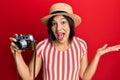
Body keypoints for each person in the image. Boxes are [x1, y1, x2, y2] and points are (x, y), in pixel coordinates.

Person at [10, 2, 120, 80]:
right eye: (54, 23)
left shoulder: (80, 45)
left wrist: (97, 55)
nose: (58, 29)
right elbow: (29, 77)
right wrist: (17, 54)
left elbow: (85, 76)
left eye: (63, 22)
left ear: (70, 25)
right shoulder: (42, 46)